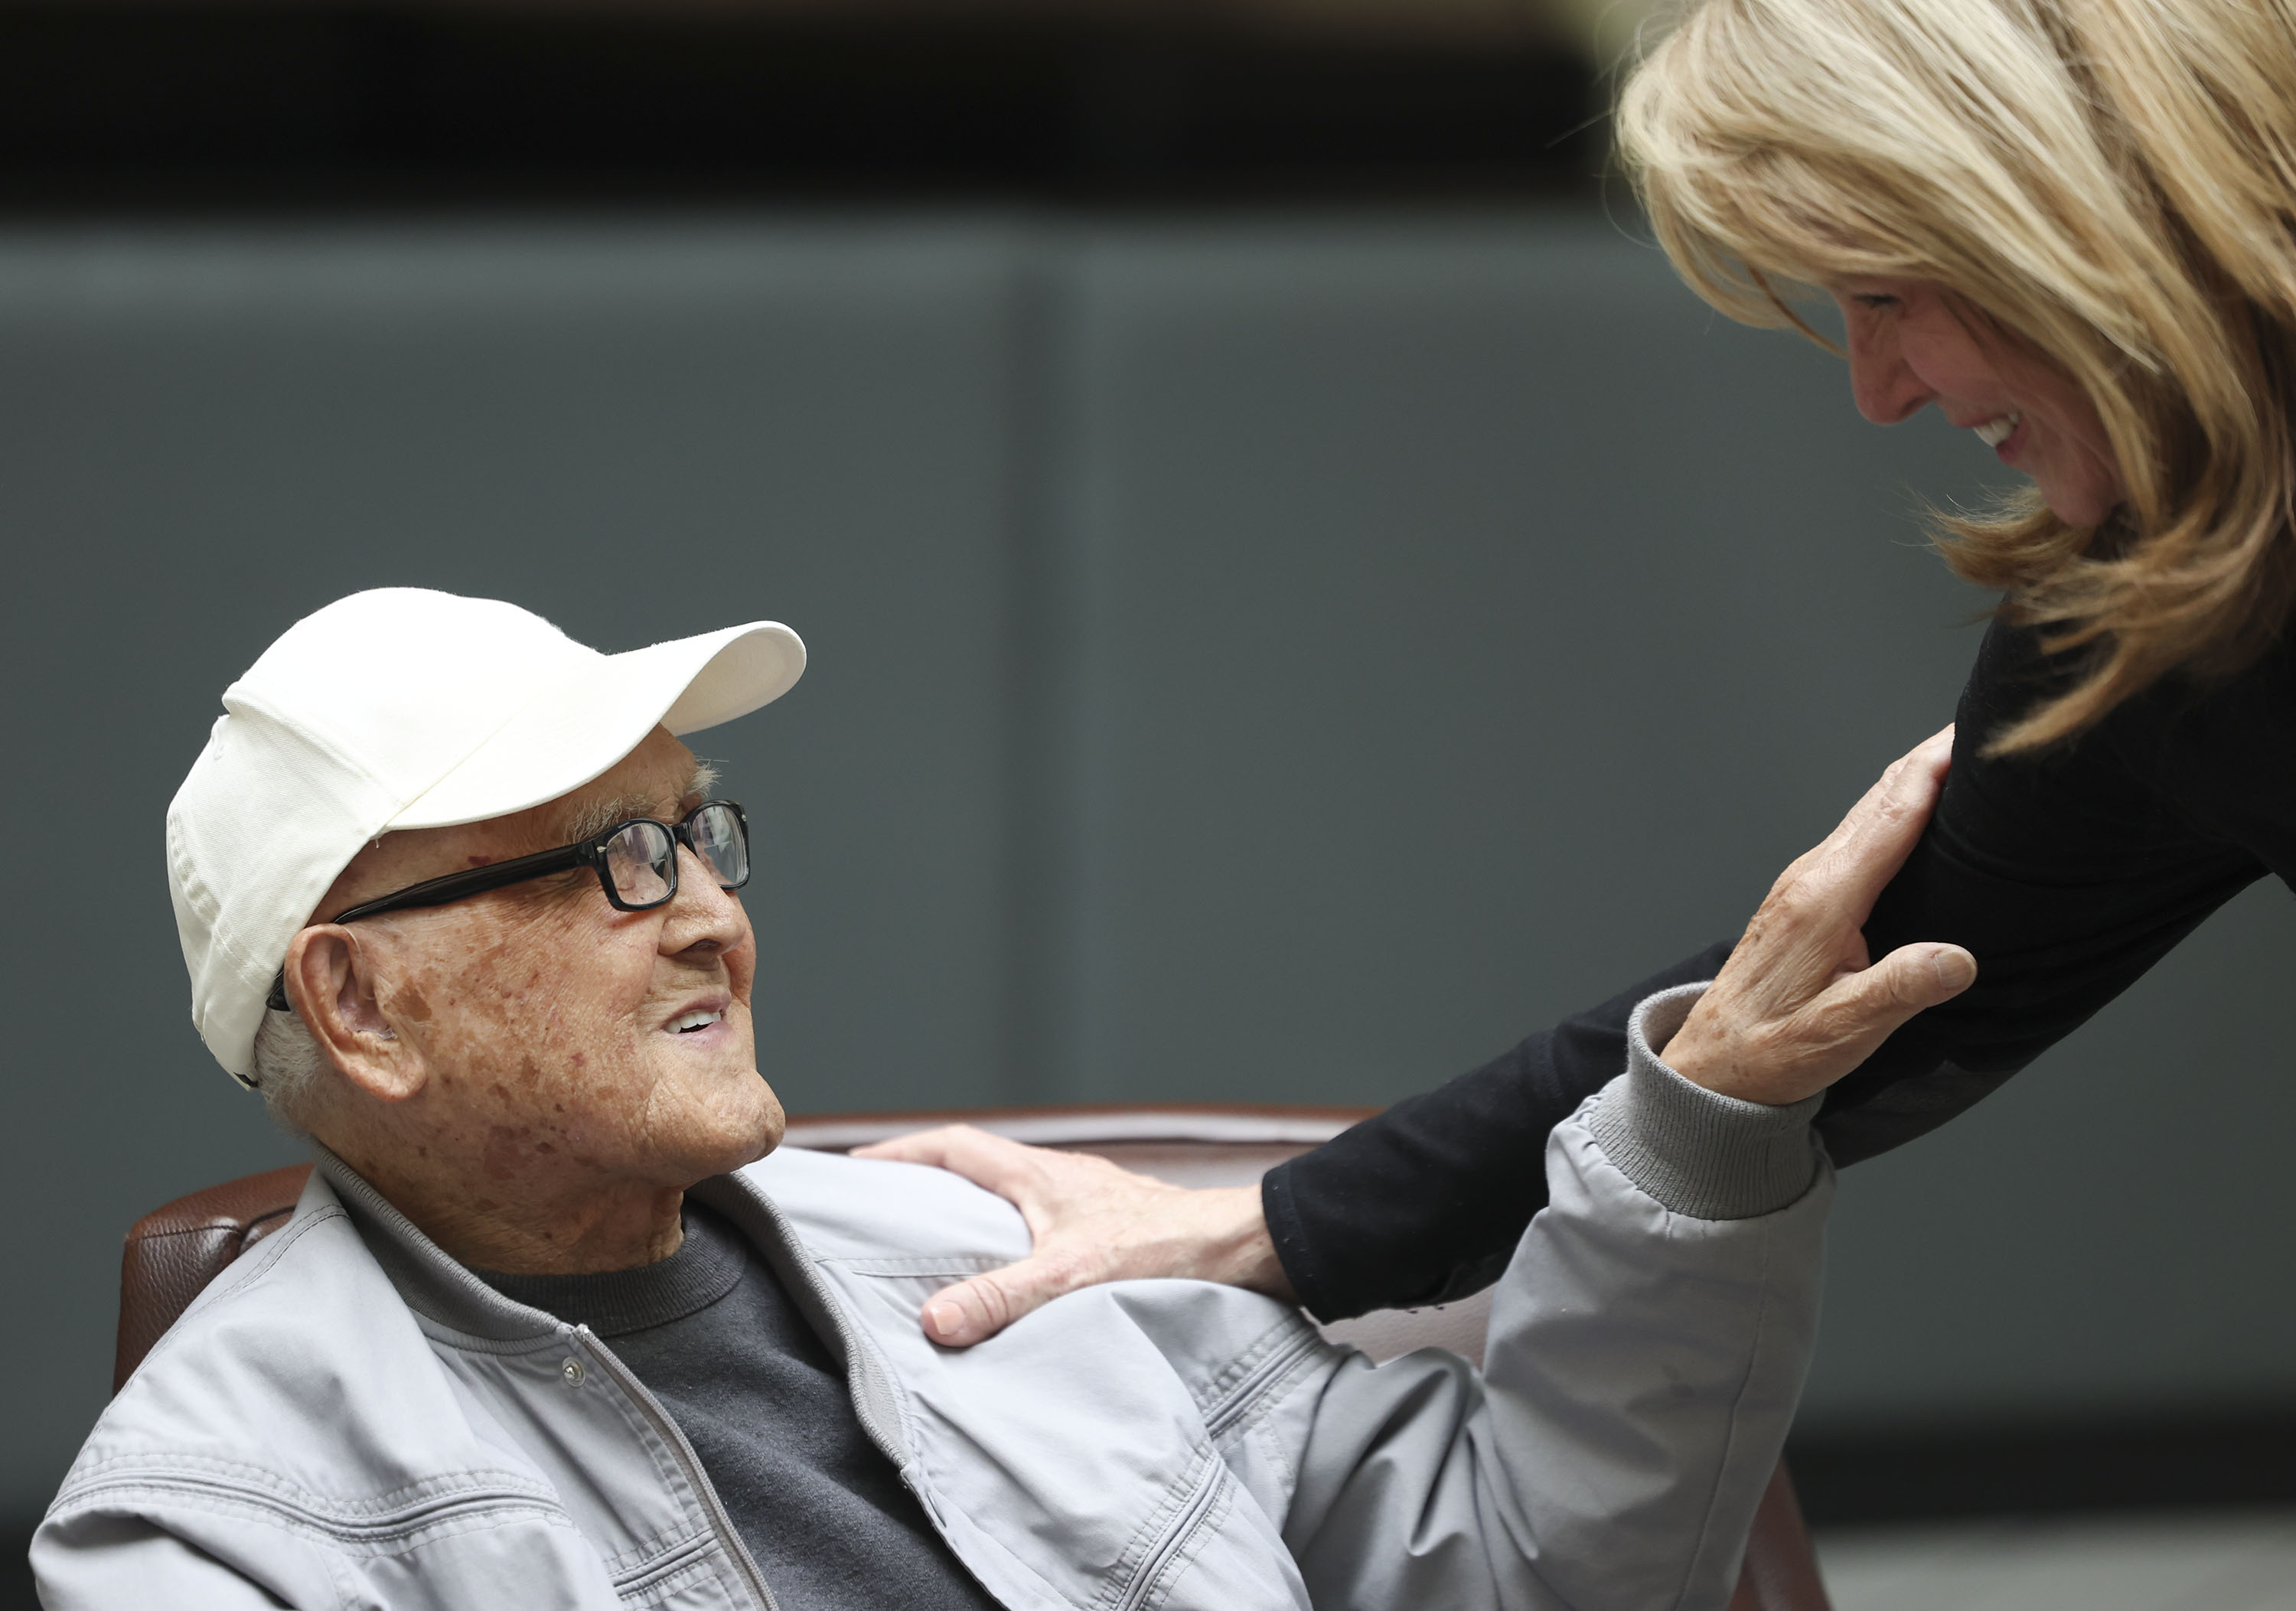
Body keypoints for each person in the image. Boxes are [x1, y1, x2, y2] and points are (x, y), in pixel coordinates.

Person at [35, 586, 1955, 1610]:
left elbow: (1538, 1577)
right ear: (361, 1002)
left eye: (703, 838)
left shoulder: (994, 1259)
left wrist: (1688, 1143)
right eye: (609, 860)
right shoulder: (212, 1536)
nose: (709, 914)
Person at [866, 0, 2296, 1345]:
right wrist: (1257, 1229)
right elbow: (1827, 1005)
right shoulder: (2157, 615)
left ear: (2063, 213)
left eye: (1882, 292)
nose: (1878, 390)